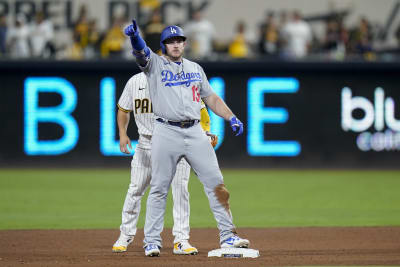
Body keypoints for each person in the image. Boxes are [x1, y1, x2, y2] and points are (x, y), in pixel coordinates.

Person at [124, 20, 250, 257]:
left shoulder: (195, 68)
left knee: (217, 184)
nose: (176, 45)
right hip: (165, 131)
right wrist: (135, 37)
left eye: (179, 41)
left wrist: (231, 117)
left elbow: (211, 98)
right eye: (171, 42)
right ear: (163, 46)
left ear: (184, 44)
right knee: (159, 187)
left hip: (194, 131)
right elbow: (141, 54)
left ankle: (228, 235)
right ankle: (151, 241)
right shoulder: (155, 66)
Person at [112, 71, 216, 255]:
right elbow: (123, 109)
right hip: (146, 143)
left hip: (177, 142)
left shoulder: (179, 81)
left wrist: (205, 133)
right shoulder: (135, 81)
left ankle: (181, 240)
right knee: (136, 189)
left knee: (180, 190)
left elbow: (199, 109)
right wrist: (122, 133)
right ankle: (125, 234)